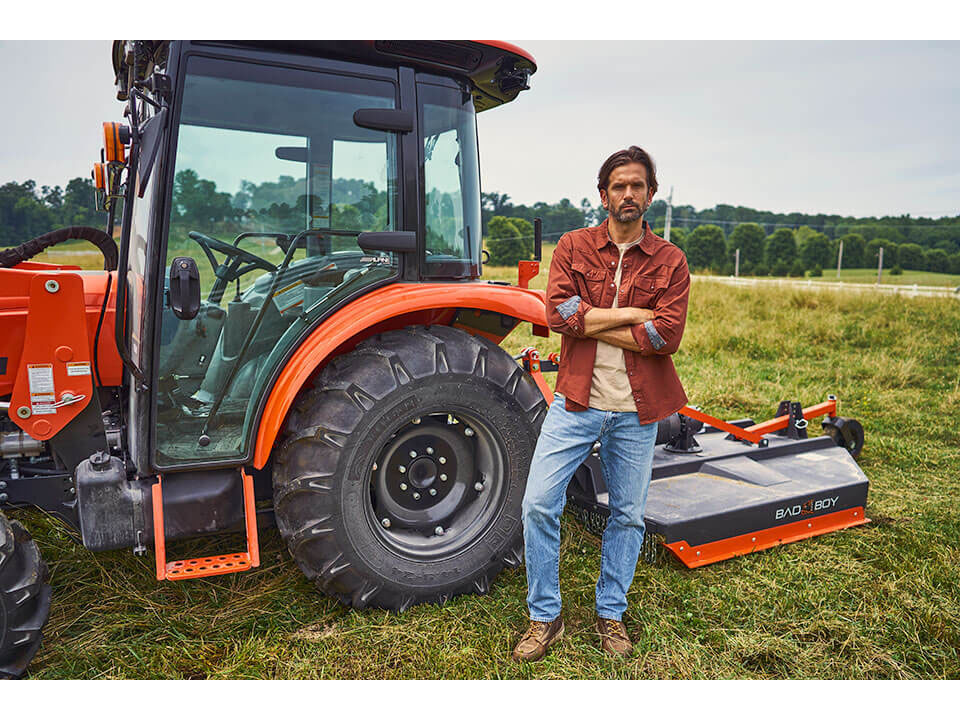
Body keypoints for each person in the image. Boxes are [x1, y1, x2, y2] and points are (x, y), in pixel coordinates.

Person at [512, 146, 690, 662]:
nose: (628, 194)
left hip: (638, 411)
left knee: (629, 515)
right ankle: (546, 616)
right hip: (576, 402)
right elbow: (561, 317)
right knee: (539, 503)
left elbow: (666, 338)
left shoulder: (671, 261)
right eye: (619, 186)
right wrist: (634, 311)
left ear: (650, 195)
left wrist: (597, 317)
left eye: (638, 185)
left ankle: (611, 613)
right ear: (603, 194)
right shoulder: (573, 246)